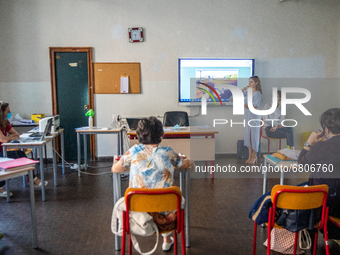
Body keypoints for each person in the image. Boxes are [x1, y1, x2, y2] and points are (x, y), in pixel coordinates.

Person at [111, 116, 192, 251]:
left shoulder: (134, 152)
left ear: (138, 135)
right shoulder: (168, 153)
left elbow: (116, 169)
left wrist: (129, 163)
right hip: (167, 214)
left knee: (139, 197)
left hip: (139, 210)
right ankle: (166, 239)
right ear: (161, 135)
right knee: (168, 199)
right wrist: (187, 160)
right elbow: (184, 164)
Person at [299, 108, 340, 240]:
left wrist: (309, 143)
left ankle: (308, 236)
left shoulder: (321, 147)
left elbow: (302, 163)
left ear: (326, 129)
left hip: (328, 205)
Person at [0, 101, 47, 198]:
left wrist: (10, 137)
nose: (9, 113)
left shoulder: (5, 122)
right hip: (1, 152)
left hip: (3, 150)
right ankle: (32, 179)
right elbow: (3, 139)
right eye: (7, 111)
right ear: (1, 112)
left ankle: (32, 179)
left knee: (19, 154)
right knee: (18, 155)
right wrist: (10, 137)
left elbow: (16, 134)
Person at [242, 76, 262, 164]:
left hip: (254, 117)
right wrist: (244, 88)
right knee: (248, 137)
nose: (249, 84)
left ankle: (254, 156)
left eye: (251, 82)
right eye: (249, 82)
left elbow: (255, 107)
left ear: (256, 83)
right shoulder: (248, 92)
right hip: (248, 117)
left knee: (254, 137)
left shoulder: (257, 93)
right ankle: (249, 156)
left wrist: (243, 104)